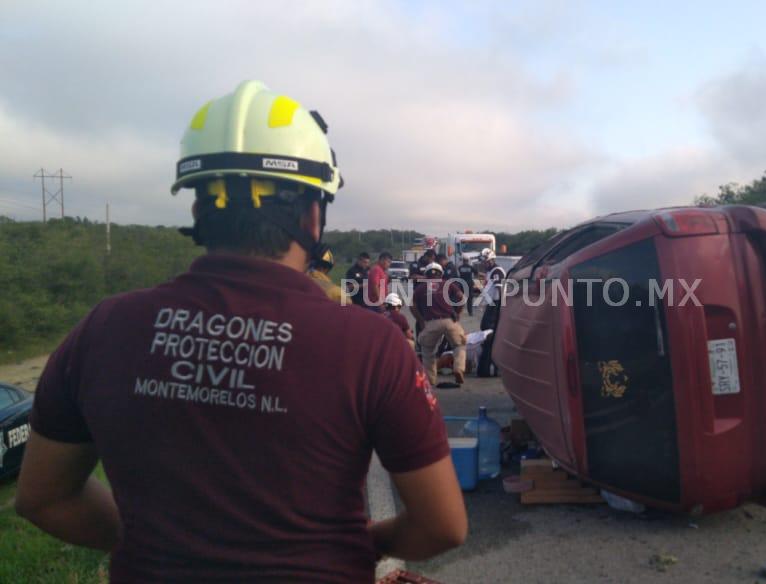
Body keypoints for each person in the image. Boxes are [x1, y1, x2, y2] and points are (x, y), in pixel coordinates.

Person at [14, 80, 466, 583]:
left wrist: (155, 540)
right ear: (314, 215)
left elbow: (43, 496)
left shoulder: (103, 329)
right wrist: (362, 544)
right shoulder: (370, 345)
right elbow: (443, 525)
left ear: (196, 209)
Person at [410, 262, 466, 386]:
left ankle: (430, 380)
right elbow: (461, 297)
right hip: (449, 320)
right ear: (441, 273)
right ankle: (458, 368)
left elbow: (412, 305)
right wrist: (458, 313)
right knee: (459, 345)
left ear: (427, 274)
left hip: (430, 322)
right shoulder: (447, 284)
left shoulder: (420, 288)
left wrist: (420, 320)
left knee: (427, 351)